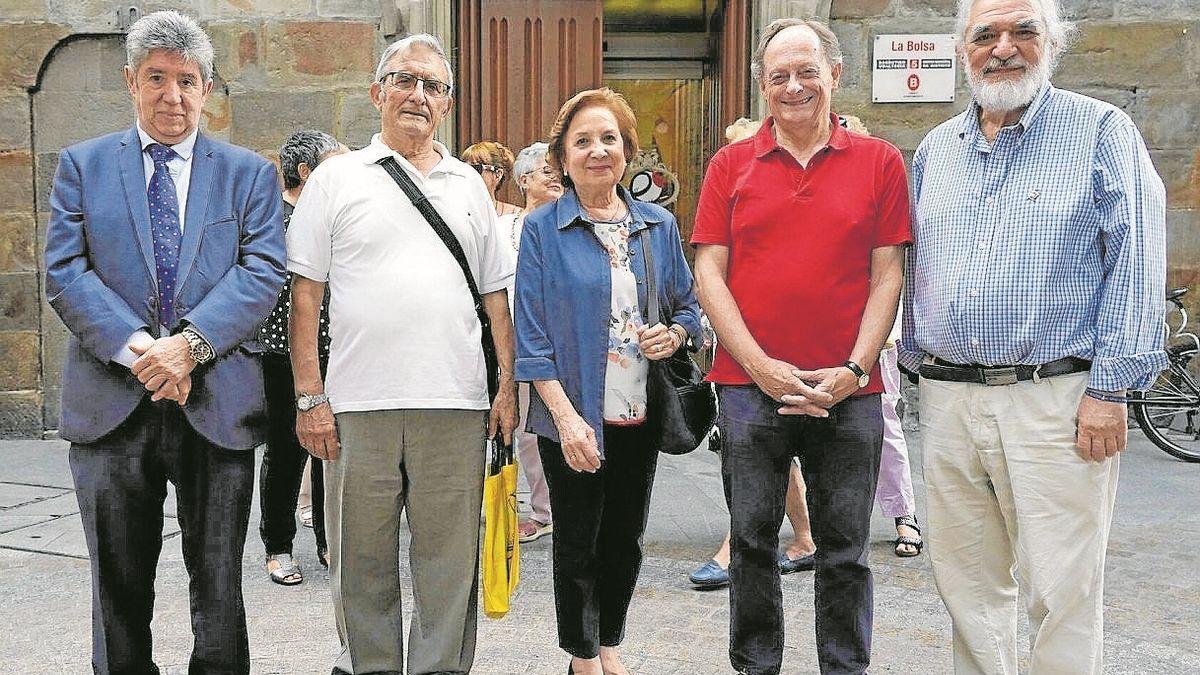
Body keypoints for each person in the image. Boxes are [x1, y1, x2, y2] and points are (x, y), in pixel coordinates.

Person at [900, 0, 1166, 672]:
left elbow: (1137, 258)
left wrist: (1112, 388)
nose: (1004, 48)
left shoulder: (1100, 130)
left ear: (1055, 42)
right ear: (963, 48)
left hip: (1057, 399)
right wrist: (910, 364)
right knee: (966, 590)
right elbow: (914, 264)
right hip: (948, 397)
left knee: (1063, 589)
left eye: (1024, 31)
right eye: (985, 34)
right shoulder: (938, 150)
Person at [42, 10, 285, 673]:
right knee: (117, 590)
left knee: (218, 589)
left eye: (187, 80)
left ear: (207, 88)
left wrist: (190, 347)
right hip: (110, 406)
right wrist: (142, 351)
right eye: (157, 77)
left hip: (218, 407)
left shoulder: (248, 175)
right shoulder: (83, 166)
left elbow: (262, 272)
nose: (172, 96)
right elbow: (65, 272)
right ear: (130, 80)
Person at [286, 34, 518, 675]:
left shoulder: (469, 184)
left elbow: (498, 300)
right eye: (405, 80)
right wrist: (311, 395)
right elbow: (306, 297)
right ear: (377, 93)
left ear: (447, 103)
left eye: (434, 86)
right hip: (358, 404)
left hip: (457, 403)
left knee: (449, 563)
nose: (419, 94)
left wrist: (507, 388)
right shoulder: (336, 178)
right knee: (360, 558)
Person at [692, 18, 911, 675]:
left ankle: (844, 667)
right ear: (762, 83)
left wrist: (854, 368)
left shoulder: (880, 163)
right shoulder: (729, 164)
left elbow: (889, 272)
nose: (793, 86)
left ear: (835, 76)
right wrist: (759, 367)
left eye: (807, 71)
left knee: (845, 549)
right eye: (779, 74)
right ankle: (756, 664)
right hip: (750, 391)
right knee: (754, 542)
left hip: (850, 394)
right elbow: (708, 271)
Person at [514, 87, 702, 675]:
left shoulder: (658, 226)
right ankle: (581, 655)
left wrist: (673, 335)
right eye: (583, 141)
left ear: (627, 150)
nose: (598, 150)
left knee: (624, 538)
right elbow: (531, 337)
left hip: (638, 414)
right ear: (563, 158)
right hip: (571, 416)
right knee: (576, 542)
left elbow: (688, 310)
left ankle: (608, 641)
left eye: (609, 139)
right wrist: (567, 421)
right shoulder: (544, 229)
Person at [257, 129, 348, 585]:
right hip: (282, 350)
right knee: (287, 447)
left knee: (335, 449)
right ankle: (278, 545)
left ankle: (330, 542)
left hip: (341, 347)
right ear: (306, 172)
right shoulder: (274, 218)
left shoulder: (336, 217)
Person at [502, 141, 565, 543]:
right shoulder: (504, 228)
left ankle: (556, 507)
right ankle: (543, 509)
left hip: (560, 341)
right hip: (515, 342)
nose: (555, 175)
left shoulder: (568, 224)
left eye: (557, 169)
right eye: (545, 170)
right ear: (524, 180)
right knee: (525, 430)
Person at [463, 140, 522, 217]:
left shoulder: (516, 215)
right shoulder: (455, 212)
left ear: (498, 174)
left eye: (476, 168)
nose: (469, 173)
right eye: (464, 168)